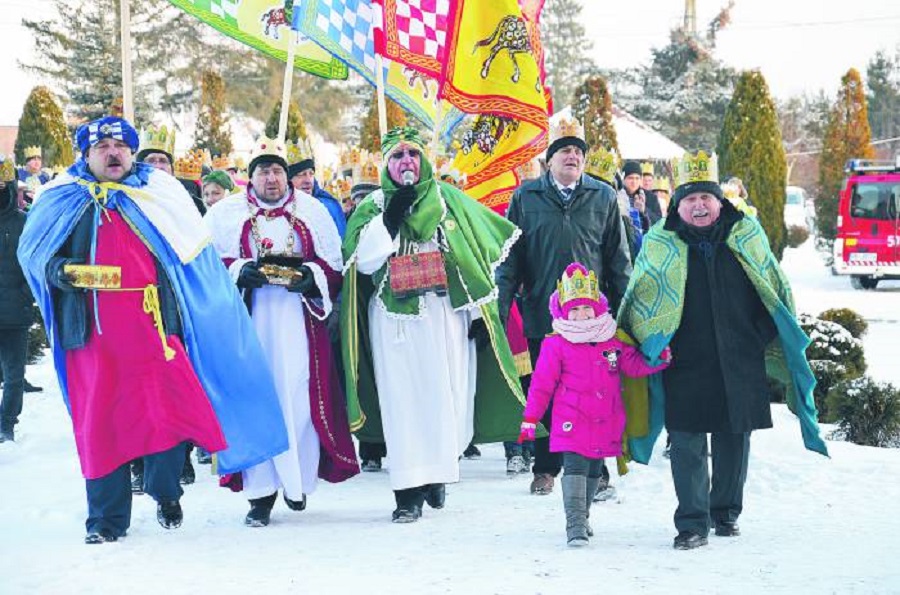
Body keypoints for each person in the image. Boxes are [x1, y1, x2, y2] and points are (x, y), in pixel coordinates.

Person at [18, 116, 288, 544]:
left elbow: (190, 261)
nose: (113, 153)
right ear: (85, 155)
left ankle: (165, 491)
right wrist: (60, 272)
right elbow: (35, 256)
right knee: (99, 424)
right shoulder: (62, 197)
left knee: (167, 413)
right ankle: (105, 521)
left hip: (155, 328)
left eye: (121, 146)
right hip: (90, 335)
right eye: (102, 147)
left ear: (130, 151)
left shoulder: (158, 193)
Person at [616, 150, 828, 551]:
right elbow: (640, 295)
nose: (698, 206)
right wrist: (652, 341)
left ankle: (726, 512)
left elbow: (773, 289)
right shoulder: (660, 242)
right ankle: (692, 523)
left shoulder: (746, 234)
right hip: (684, 359)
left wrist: (758, 335)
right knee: (687, 442)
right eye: (690, 199)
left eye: (706, 198)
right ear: (678, 204)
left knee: (735, 437)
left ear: (719, 201)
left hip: (738, 356)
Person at [341, 126, 526, 523]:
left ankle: (438, 473)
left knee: (447, 394)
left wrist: (479, 314)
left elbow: (474, 257)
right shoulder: (372, 206)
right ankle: (407, 490)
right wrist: (390, 219)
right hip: (395, 318)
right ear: (385, 164)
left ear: (423, 160)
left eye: (412, 154)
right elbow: (366, 263)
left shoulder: (449, 201)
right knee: (403, 399)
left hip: (445, 314)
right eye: (397, 156)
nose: (405, 162)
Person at [205, 136, 359, 527]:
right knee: (256, 402)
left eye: (277, 171)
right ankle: (259, 496)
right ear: (250, 177)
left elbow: (333, 266)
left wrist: (312, 279)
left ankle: (297, 482)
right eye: (263, 171)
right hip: (250, 325)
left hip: (299, 324)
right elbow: (207, 265)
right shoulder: (225, 214)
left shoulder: (312, 212)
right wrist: (240, 271)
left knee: (299, 401)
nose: (271, 179)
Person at [496, 117, 632, 496]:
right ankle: (545, 467)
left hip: (592, 319)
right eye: (565, 151)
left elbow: (618, 261)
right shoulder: (527, 197)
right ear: (550, 159)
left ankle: (597, 471)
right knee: (546, 389)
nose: (572, 156)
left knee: (593, 391)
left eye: (578, 151)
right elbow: (510, 260)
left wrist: (625, 314)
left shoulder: (603, 196)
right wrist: (501, 307)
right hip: (543, 311)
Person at [519, 263, 669, 545]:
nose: (581, 315)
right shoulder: (556, 344)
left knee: (593, 471)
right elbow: (542, 385)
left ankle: (583, 514)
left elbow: (632, 366)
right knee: (575, 467)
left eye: (586, 308)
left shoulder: (611, 340)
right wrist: (531, 419)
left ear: (598, 307)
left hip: (606, 418)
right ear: (563, 313)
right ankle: (574, 524)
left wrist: (657, 359)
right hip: (571, 418)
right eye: (573, 310)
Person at [0, 156, 33, 443]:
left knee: (13, 376)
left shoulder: (25, 222)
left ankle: (6, 424)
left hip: (15, 314)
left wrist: (26, 294)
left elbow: (35, 263)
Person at [287, 138, 346, 238]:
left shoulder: (329, 206)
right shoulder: (279, 208)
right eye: (301, 174)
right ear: (288, 180)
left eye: (311, 174)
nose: (308, 180)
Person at [622, 160, 663, 230]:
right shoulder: (617, 195)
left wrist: (644, 210)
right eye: (630, 178)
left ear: (641, 179)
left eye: (637, 178)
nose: (634, 182)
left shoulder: (651, 197)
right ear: (623, 179)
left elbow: (659, 222)